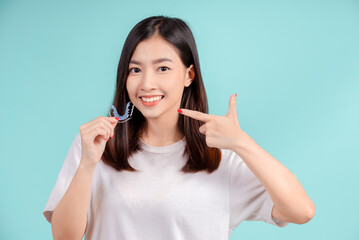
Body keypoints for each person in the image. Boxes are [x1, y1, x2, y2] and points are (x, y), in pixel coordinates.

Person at [43, 15, 315, 240]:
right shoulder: (96, 145)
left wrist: (242, 143)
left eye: (162, 68)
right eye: (135, 70)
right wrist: (88, 164)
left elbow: (301, 211)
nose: (146, 83)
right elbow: (64, 236)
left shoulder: (220, 157)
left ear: (188, 75)